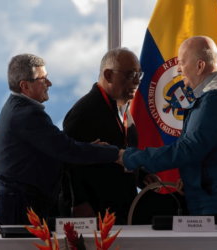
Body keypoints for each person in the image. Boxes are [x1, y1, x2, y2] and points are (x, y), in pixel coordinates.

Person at [118, 36, 217, 224]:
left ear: (200, 66)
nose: (178, 69)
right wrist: (191, 178)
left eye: (182, 62)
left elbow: (188, 150)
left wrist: (129, 157)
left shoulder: (215, 101)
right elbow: (212, 150)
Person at [0, 53, 120, 225]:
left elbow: (53, 152)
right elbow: (65, 149)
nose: (49, 84)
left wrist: (86, 148)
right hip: (22, 204)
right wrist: (115, 154)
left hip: (18, 200)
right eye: (43, 79)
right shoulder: (27, 114)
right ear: (25, 86)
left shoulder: (15, 107)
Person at [60, 48, 141, 224]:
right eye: (130, 74)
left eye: (139, 75)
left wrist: (142, 176)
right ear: (109, 75)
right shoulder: (83, 111)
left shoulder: (125, 111)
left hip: (124, 210)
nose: (136, 81)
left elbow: (126, 154)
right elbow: (66, 164)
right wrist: (79, 203)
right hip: (93, 213)